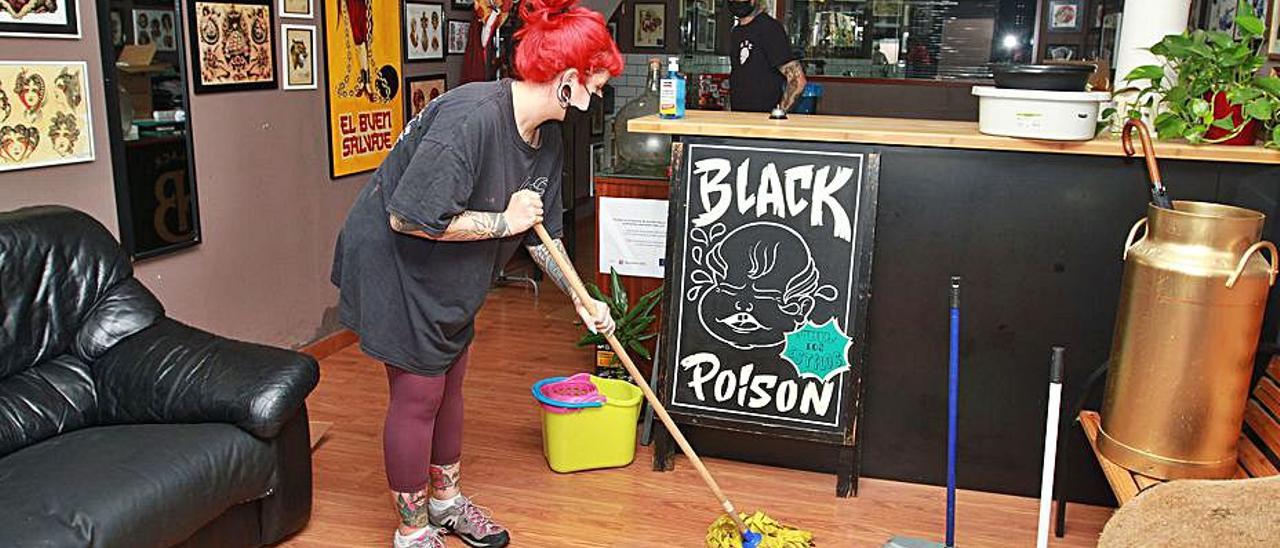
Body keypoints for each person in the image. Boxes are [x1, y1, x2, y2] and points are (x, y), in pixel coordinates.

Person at [328, 0, 622, 546]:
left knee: (452, 385)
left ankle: (445, 503)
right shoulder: (470, 118)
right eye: (596, 84)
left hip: (449, 268)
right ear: (567, 79)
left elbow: (544, 237)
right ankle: (413, 532)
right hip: (396, 263)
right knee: (419, 395)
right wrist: (501, 220)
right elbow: (407, 217)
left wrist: (580, 297)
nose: (597, 96)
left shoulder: (547, 138)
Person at [725, 0, 806, 113]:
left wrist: (778, 115)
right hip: (740, 120)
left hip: (764, 122)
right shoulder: (736, 32)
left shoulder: (769, 28)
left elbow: (797, 80)